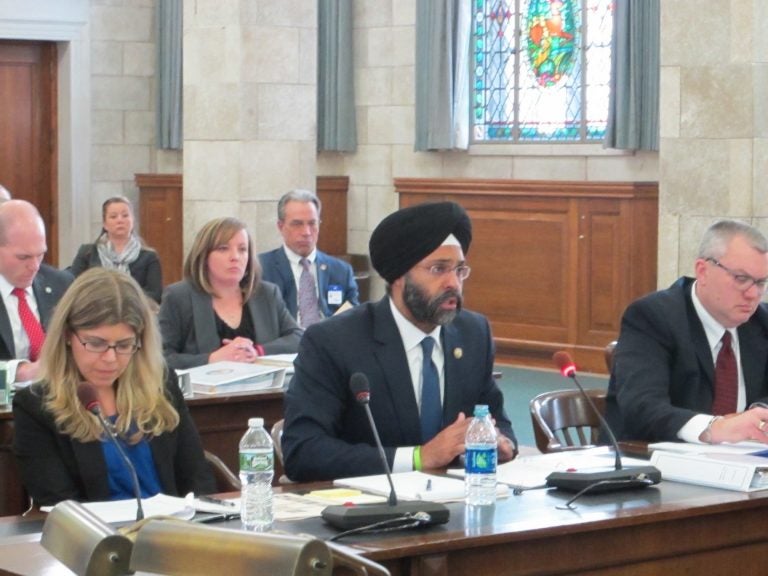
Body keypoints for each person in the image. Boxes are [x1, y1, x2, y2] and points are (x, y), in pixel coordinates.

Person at [282, 201, 517, 482]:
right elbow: (303, 451)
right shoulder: (333, 341)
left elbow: (496, 418)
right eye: (438, 269)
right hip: (370, 511)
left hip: (460, 505)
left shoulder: (473, 333)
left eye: (459, 270)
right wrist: (419, 457)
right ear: (399, 277)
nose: (453, 283)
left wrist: (502, 443)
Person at [12, 268, 215, 506]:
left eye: (124, 345)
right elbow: (59, 504)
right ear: (67, 335)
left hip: (170, 533)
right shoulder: (36, 405)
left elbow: (197, 479)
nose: (110, 358)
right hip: (96, 539)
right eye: (96, 344)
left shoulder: (161, 384)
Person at [605, 219, 768, 444]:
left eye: (760, 282)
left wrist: (757, 415)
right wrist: (714, 428)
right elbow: (642, 407)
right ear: (703, 271)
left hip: (741, 461)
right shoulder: (653, 317)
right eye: (741, 279)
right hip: (649, 460)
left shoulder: (762, 321)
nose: (752, 294)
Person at [159, 216, 302, 370]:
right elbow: (160, 358)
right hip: (206, 393)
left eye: (242, 249)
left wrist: (257, 351)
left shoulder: (266, 294)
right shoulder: (178, 297)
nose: (235, 257)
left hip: (263, 391)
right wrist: (212, 358)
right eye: (223, 248)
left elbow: (298, 338)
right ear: (204, 255)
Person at [259, 189, 359, 327]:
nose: (306, 232)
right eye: (297, 224)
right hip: (285, 344)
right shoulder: (261, 268)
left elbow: (353, 316)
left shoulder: (341, 271)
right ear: (281, 226)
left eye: (312, 223)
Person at [0, 200, 73, 384]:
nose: (34, 266)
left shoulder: (62, 284)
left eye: (40, 254)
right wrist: (19, 372)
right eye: (23, 257)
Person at [69, 196, 163, 304]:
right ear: (104, 224)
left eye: (125, 215)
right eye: (113, 216)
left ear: (133, 220)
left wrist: (125, 302)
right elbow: (74, 286)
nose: (120, 220)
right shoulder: (87, 252)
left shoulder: (149, 256)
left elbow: (154, 294)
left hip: (135, 311)